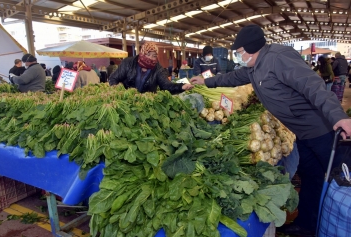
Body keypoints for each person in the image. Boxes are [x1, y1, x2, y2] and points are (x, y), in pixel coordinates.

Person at [190, 24, 351, 236]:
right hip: (300, 132)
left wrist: (339, 117)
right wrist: (205, 81)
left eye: (239, 52)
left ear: (250, 48)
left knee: (341, 183)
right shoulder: (255, 66)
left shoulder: (278, 58)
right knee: (311, 177)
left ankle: (338, 226)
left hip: (321, 130)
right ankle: (307, 225)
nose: (238, 56)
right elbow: (233, 78)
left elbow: (313, 85)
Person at [108, 42, 193, 94]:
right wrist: (119, 92)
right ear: (142, 53)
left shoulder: (158, 68)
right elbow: (113, 78)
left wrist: (181, 87)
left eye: (154, 56)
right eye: (148, 55)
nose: (151, 58)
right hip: (127, 102)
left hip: (147, 104)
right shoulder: (128, 63)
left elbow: (166, 85)